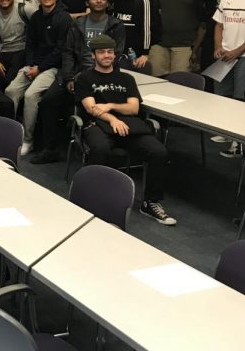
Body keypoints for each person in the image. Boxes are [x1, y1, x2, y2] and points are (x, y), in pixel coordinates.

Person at [75, 34, 176, 225]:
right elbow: (91, 108)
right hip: (97, 124)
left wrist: (110, 105)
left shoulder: (126, 78)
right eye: (102, 52)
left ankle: (150, 202)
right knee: (101, 149)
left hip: (129, 126)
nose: (107, 55)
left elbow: (134, 108)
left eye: (110, 52)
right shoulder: (85, 78)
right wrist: (112, 118)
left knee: (158, 151)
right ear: (94, 55)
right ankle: (95, 200)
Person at [37, 0, 125, 163]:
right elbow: (68, 52)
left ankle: (94, 149)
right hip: (74, 72)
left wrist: (89, 77)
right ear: (87, 2)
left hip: (101, 75)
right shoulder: (77, 24)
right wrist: (70, 77)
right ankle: (50, 149)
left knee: (93, 107)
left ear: (107, 3)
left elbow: (116, 56)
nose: (98, 1)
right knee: (48, 100)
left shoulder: (116, 25)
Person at [5, 0, 72, 156]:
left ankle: (28, 140)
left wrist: (40, 68)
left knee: (30, 95)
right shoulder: (36, 17)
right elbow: (30, 44)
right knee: (11, 91)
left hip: (52, 68)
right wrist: (29, 64)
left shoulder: (63, 18)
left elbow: (60, 50)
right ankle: (9, 133)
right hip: (34, 64)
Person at [146, 0, 205, 77]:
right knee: (156, 80)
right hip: (158, 42)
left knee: (179, 83)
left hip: (185, 44)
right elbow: (146, 11)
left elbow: (204, 18)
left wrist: (196, 47)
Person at [212, 0, 245, 157]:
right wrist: (218, 46)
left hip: (243, 56)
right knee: (221, 94)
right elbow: (218, 25)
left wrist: (238, 51)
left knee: (239, 97)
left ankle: (237, 141)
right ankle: (225, 132)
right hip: (225, 54)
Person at [111, 0, 155, 72]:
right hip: (121, 52)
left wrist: (145, 53)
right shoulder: (116, 0)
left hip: (139, 53)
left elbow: (147, 27)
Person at [194, 0, 235, 73]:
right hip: (208, 42)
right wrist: (195, 49)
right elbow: (203, 25)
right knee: (206, 74)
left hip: (228, 43)